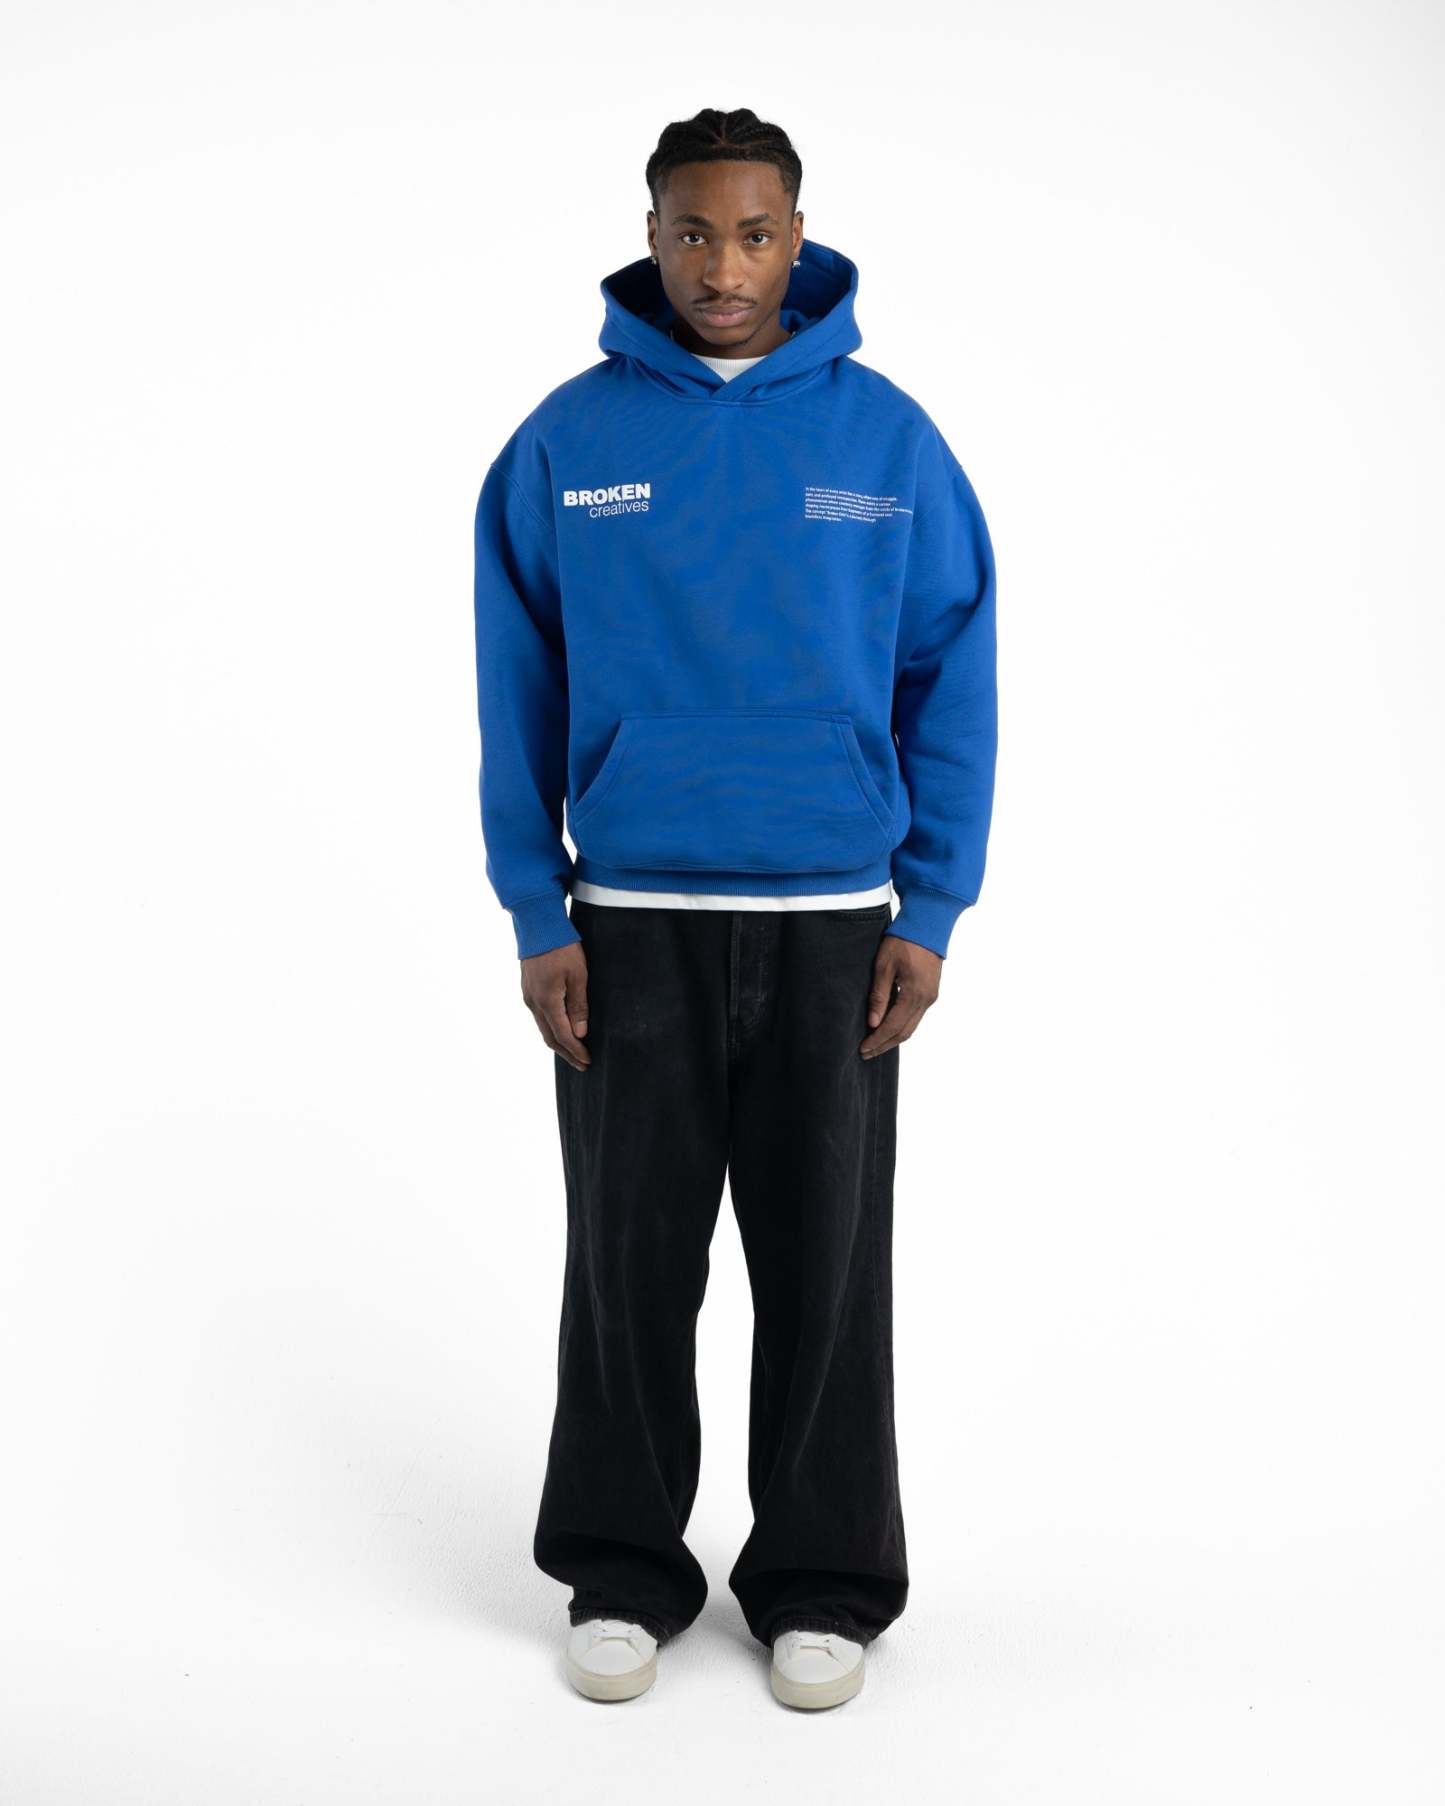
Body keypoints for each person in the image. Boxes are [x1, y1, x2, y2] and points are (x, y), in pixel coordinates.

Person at [471, 107, 998, 1710]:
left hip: (837, 919)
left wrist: (931, 904)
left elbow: (950, 670)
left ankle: (822, 1578)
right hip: (625, 921)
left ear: (796, 239)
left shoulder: (886, 443)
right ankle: (621, 1567)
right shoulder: (565, 444)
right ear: (650, 235)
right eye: (693, 233)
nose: (722, 266)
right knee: (626, 1264)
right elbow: (514, 686)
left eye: (753, 234)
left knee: (827, 1263)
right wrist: (534, 910)